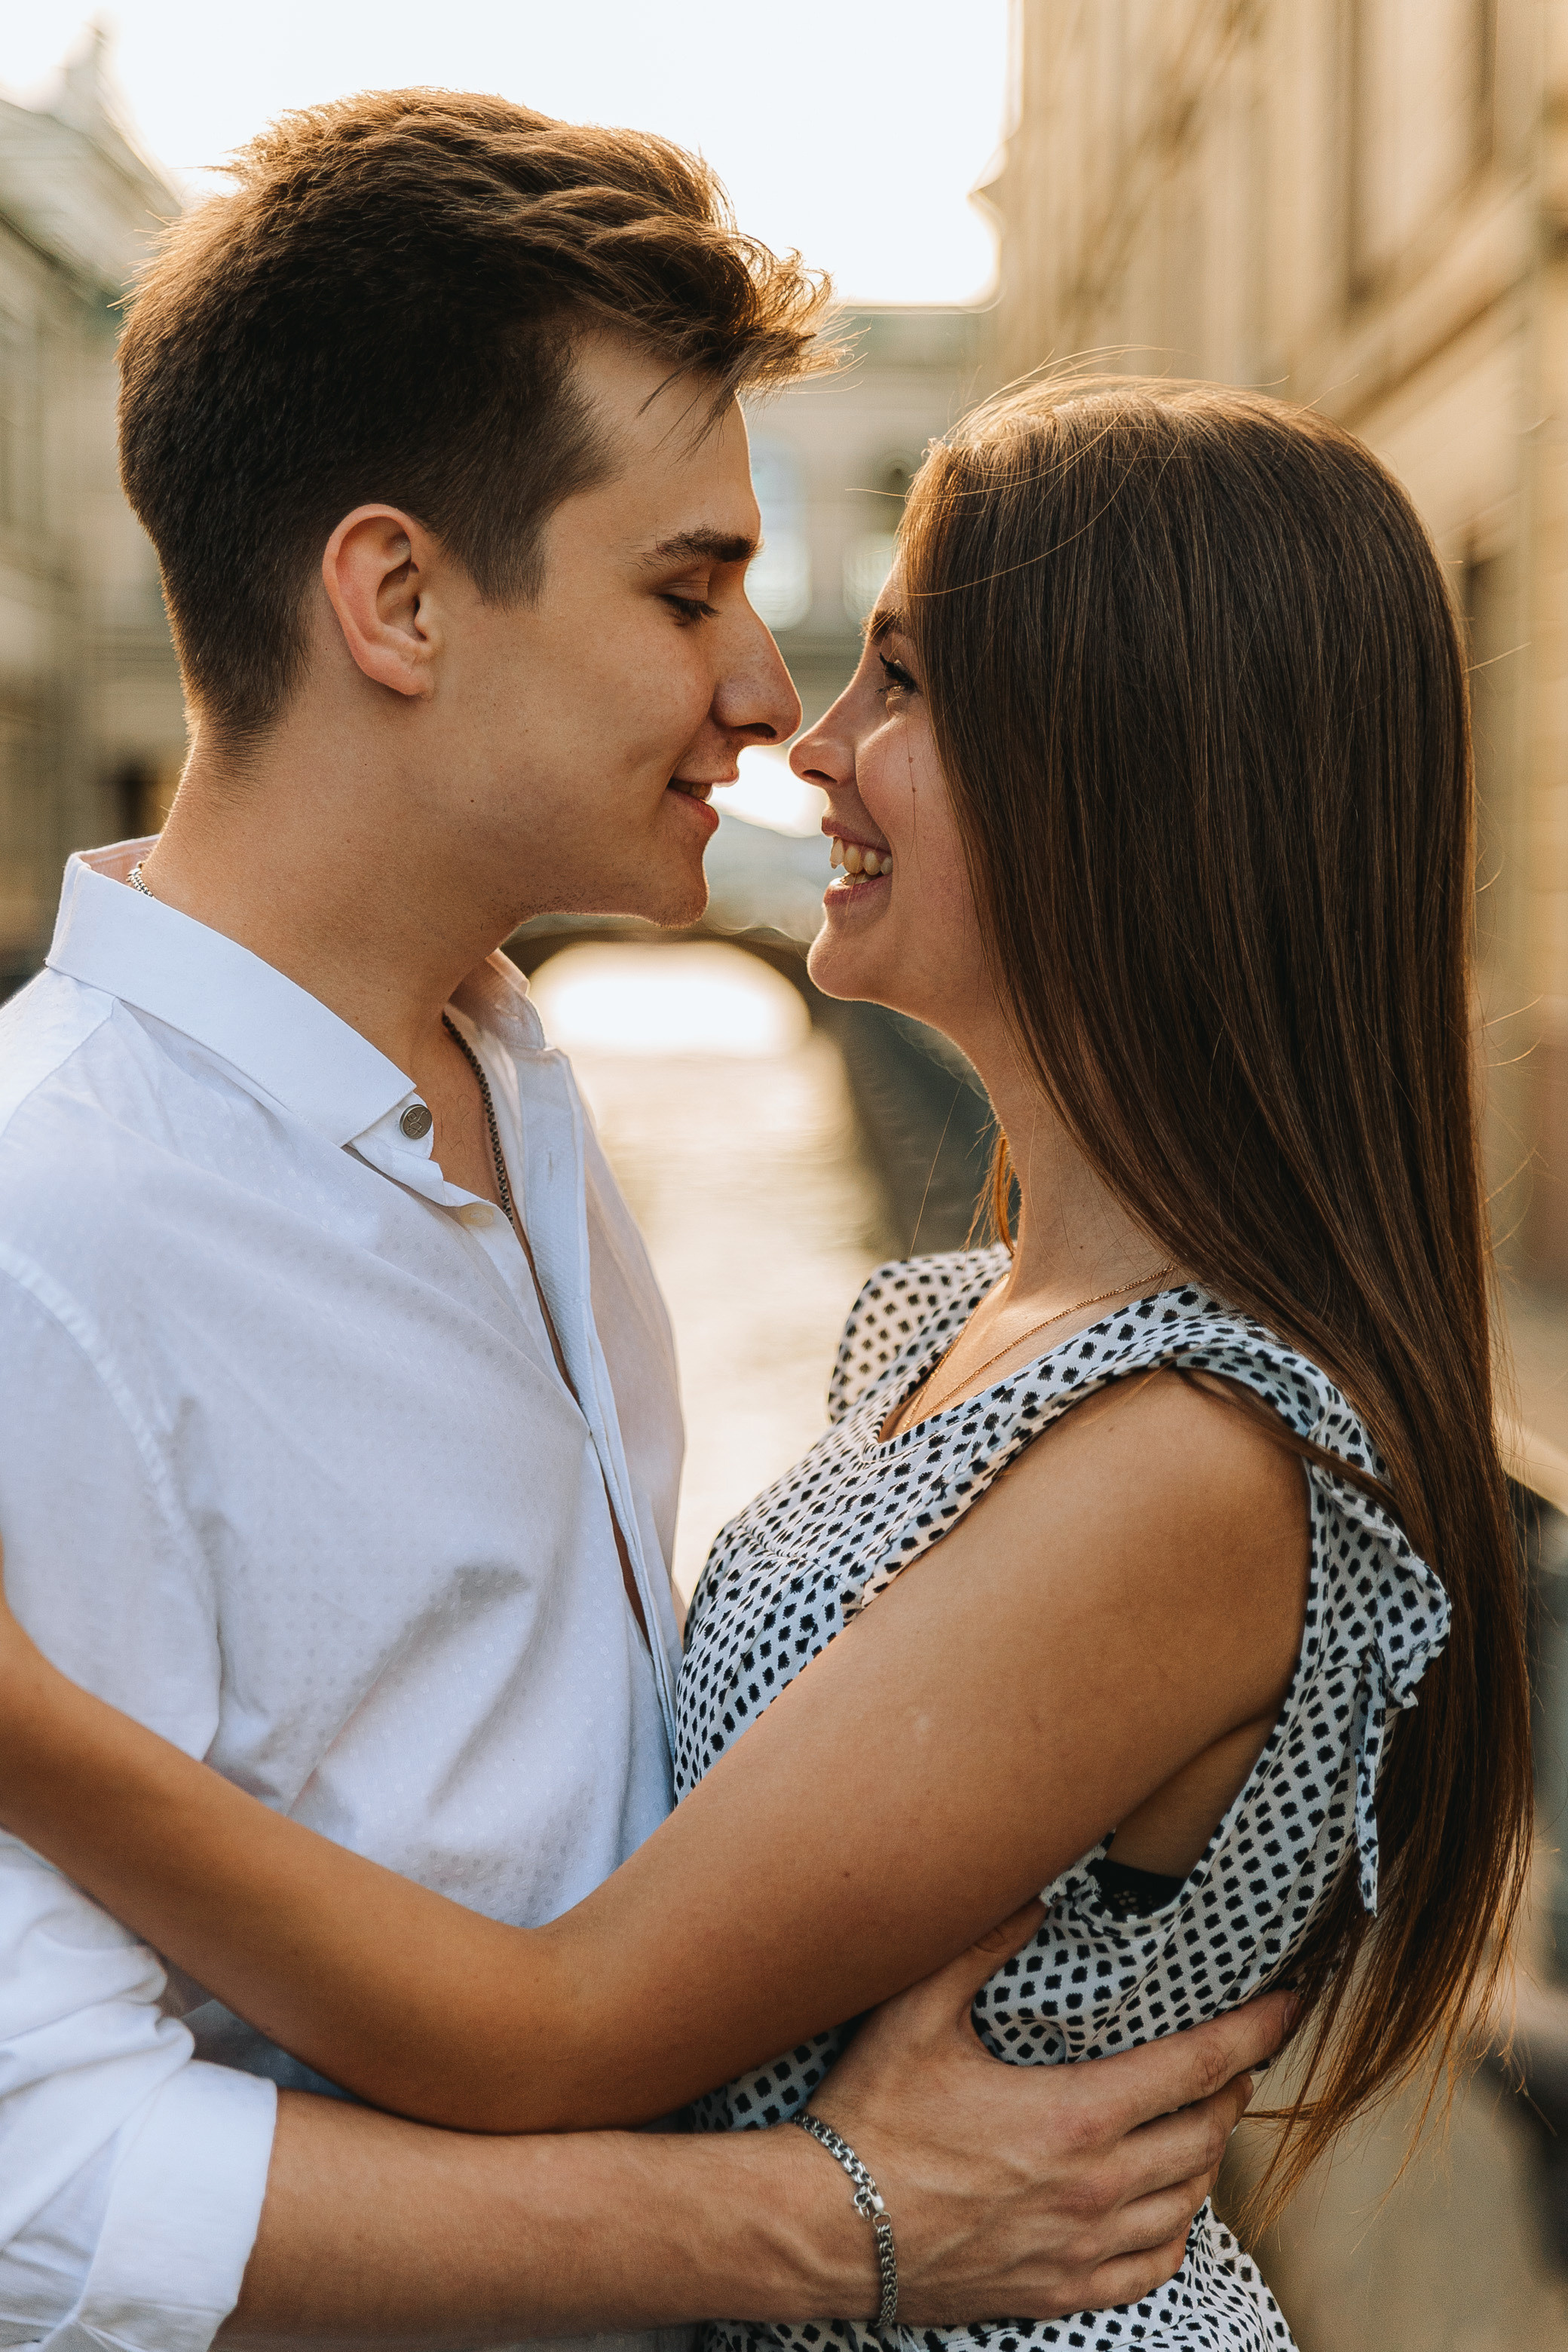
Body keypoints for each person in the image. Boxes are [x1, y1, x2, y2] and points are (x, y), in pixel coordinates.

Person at [0, 366, 1536, 2352]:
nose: (809, 738)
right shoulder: (984, 1326)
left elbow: (564, 2030)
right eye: (700, 600)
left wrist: (31, 1732)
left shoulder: (1180, 1456)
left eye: (901, 681)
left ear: (1124, 773)